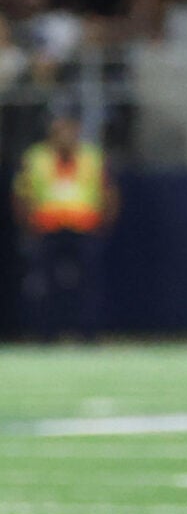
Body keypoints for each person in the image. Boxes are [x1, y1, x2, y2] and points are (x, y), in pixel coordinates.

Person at [14, 110, 115, 341]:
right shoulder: (36, 157)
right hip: (47, 230)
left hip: (84, 229)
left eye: (70, 129)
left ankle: (89, 335)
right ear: (52, 132)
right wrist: (28, 226)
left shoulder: (92, 157)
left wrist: (103, 225)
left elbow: (109, 193)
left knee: (89, 285)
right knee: (43, 285)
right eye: (60, 130)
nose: (66, 135)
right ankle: (46, 335)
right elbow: (22, 194)